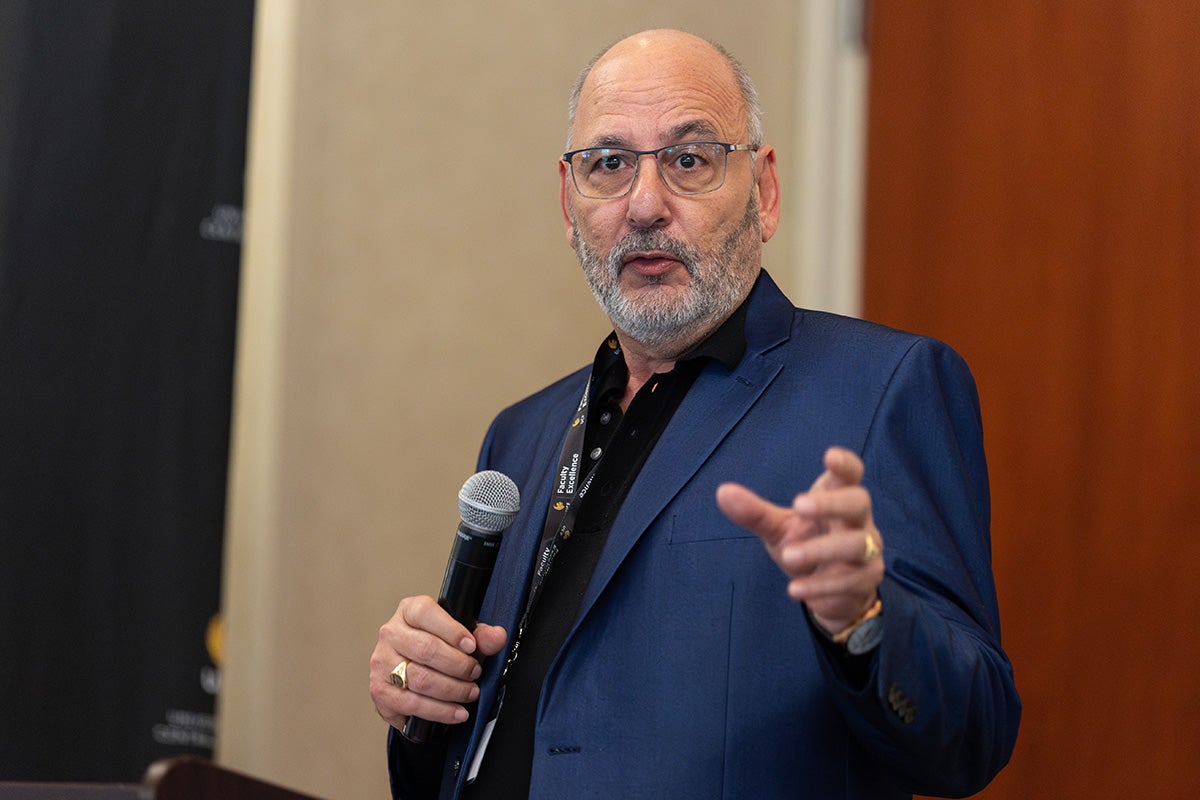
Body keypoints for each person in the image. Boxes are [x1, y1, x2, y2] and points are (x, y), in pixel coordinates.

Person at [369, 28, 1020, 800]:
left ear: (765, 190)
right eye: (608, 164)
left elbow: (973, 735)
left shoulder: (883, 388)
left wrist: (866, 621)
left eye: (689, 159)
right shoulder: (521, 433)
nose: (645, 205)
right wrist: (423, 693)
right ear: (570, 207)